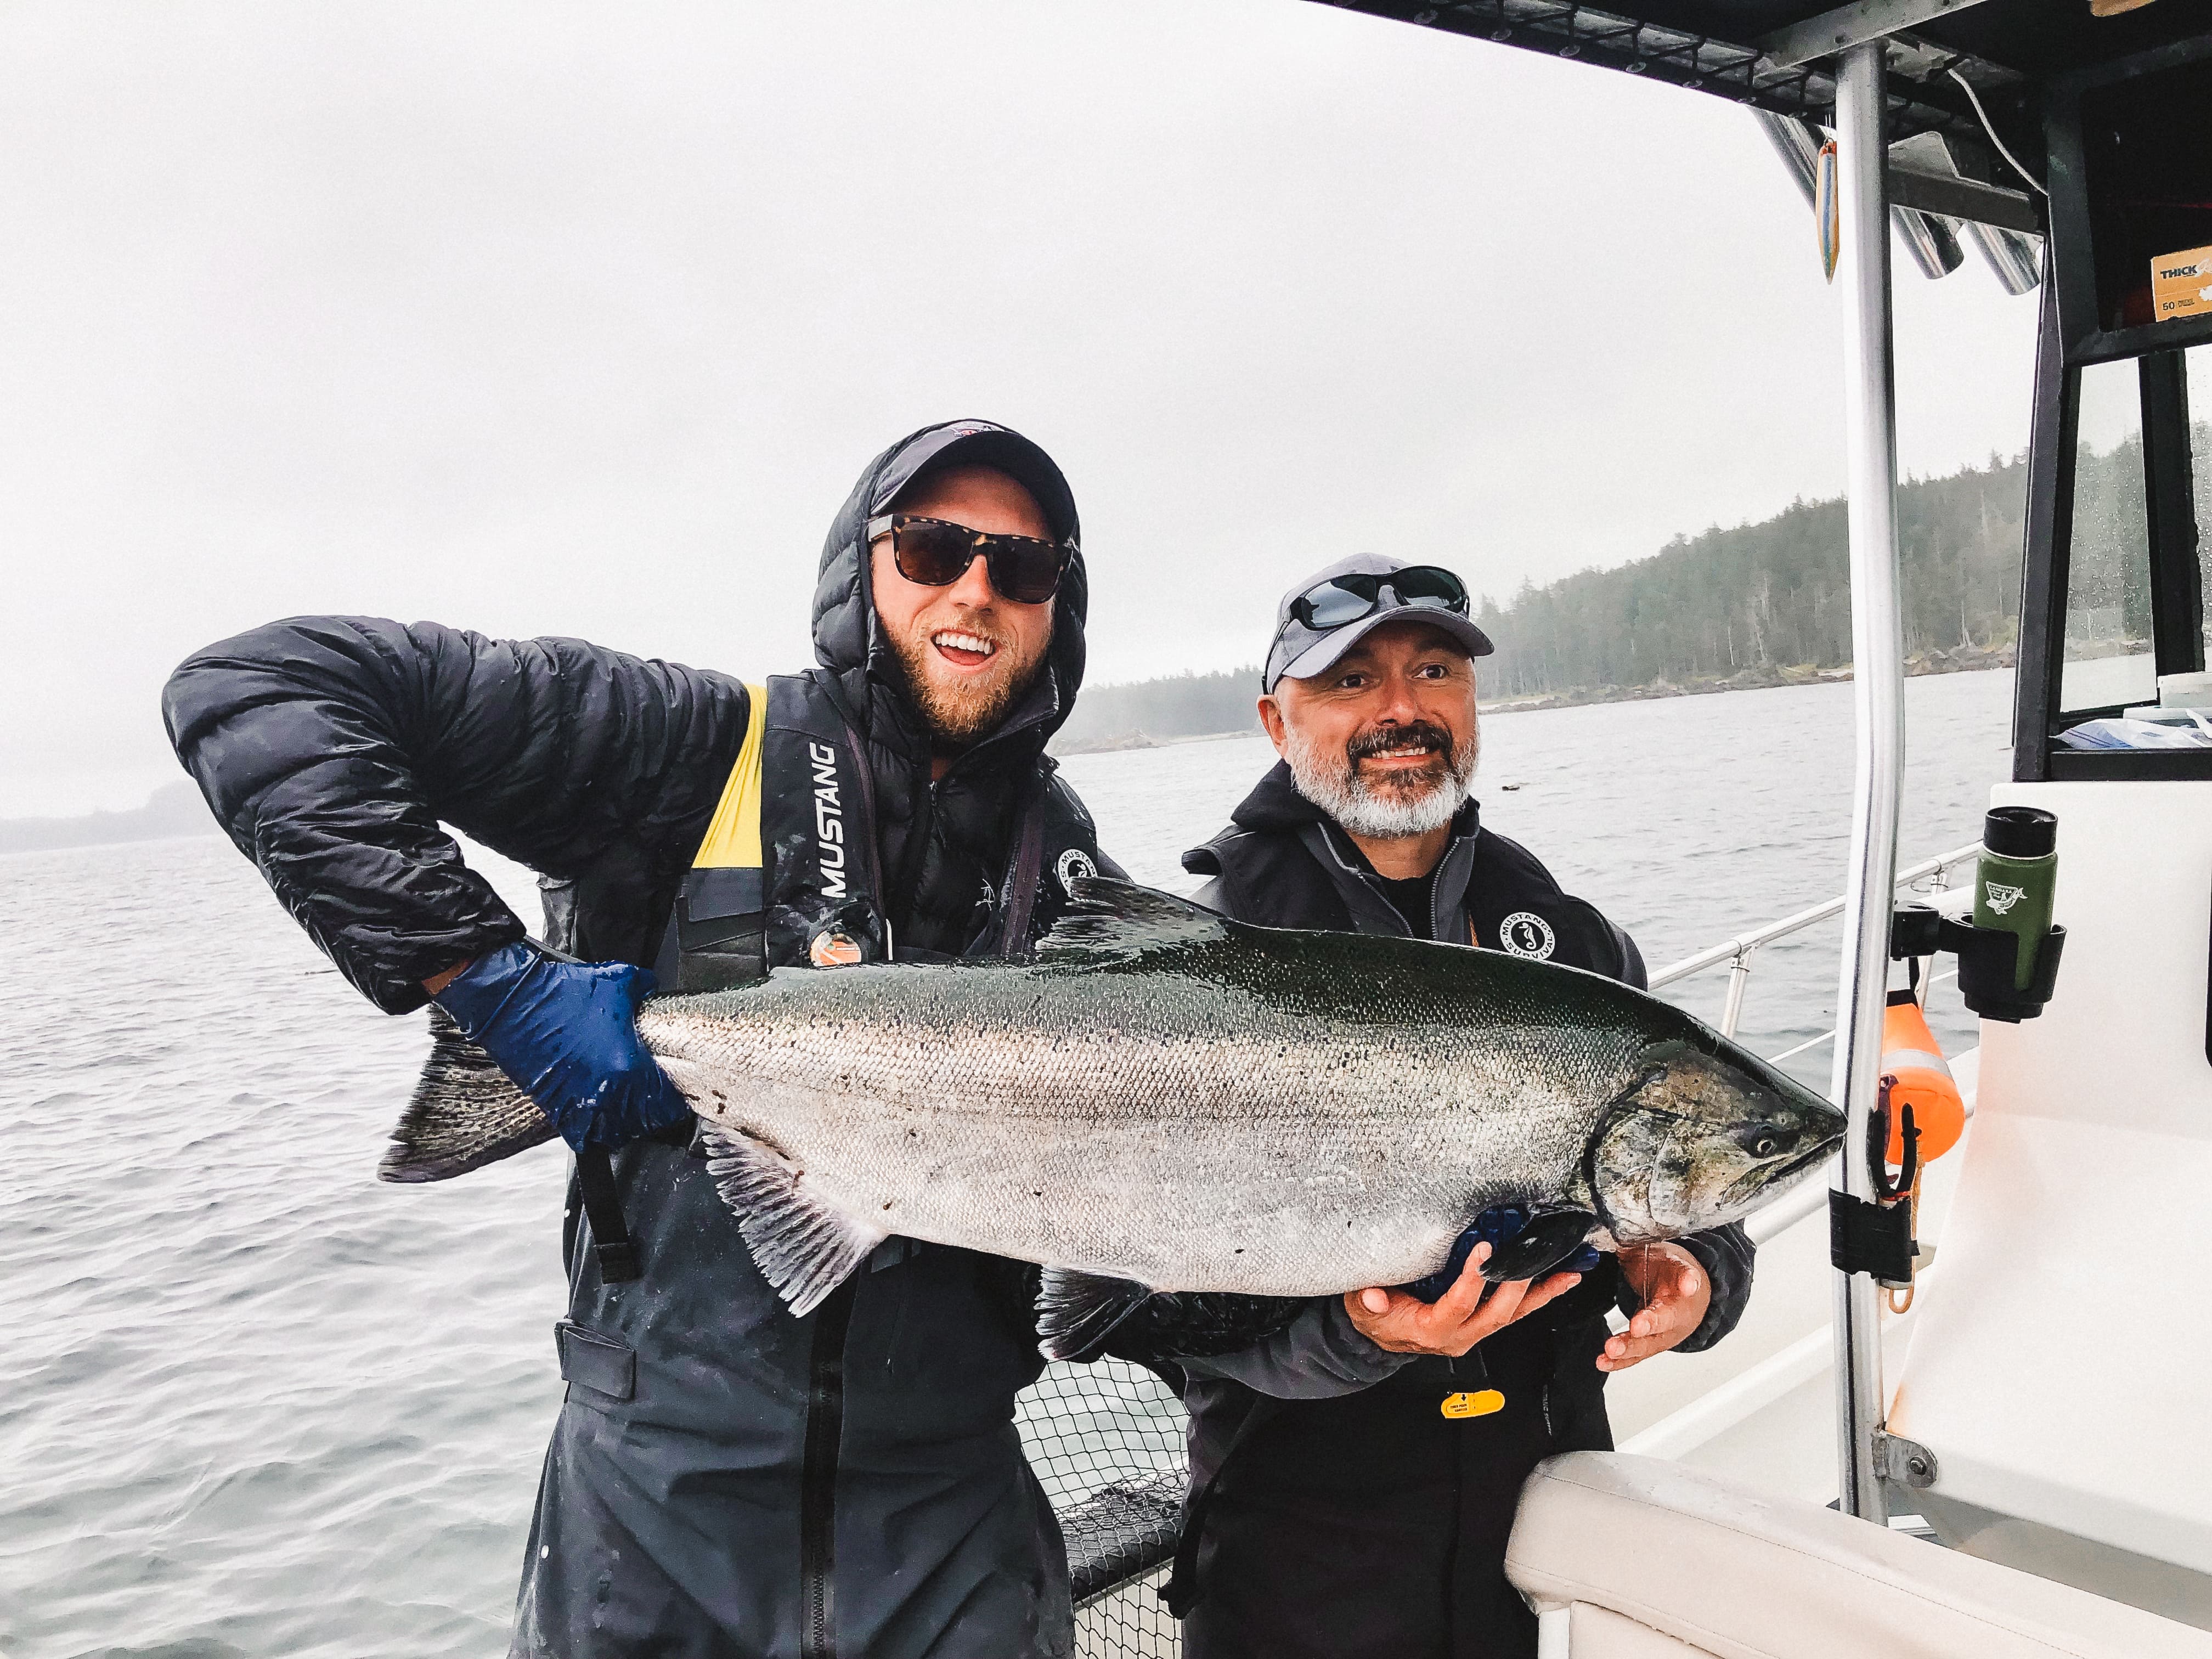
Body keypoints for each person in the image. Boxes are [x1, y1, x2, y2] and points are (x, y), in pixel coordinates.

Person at [161, 420, 1123, 1659]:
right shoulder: (682, 744)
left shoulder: (1079, 867)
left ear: (1061, 602)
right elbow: (257, 686)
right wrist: (490, 982)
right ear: (861, 564)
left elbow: (1114, 1243)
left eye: (1024, 564)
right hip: (654, 1511)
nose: (976, 588)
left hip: (956, 1521)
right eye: (933, 546)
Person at [1126, 552, 1757, 1659]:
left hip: (1545, 1513)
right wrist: (1361, 1336)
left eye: (1434, 672)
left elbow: (1699, 1167)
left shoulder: (1575, 943)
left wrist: (1694, 1275)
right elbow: (1158, 1312)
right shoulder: (1206, 966)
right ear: (1278, 722)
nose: (1403, 710)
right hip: (1301, 1545)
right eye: (1351, 682)